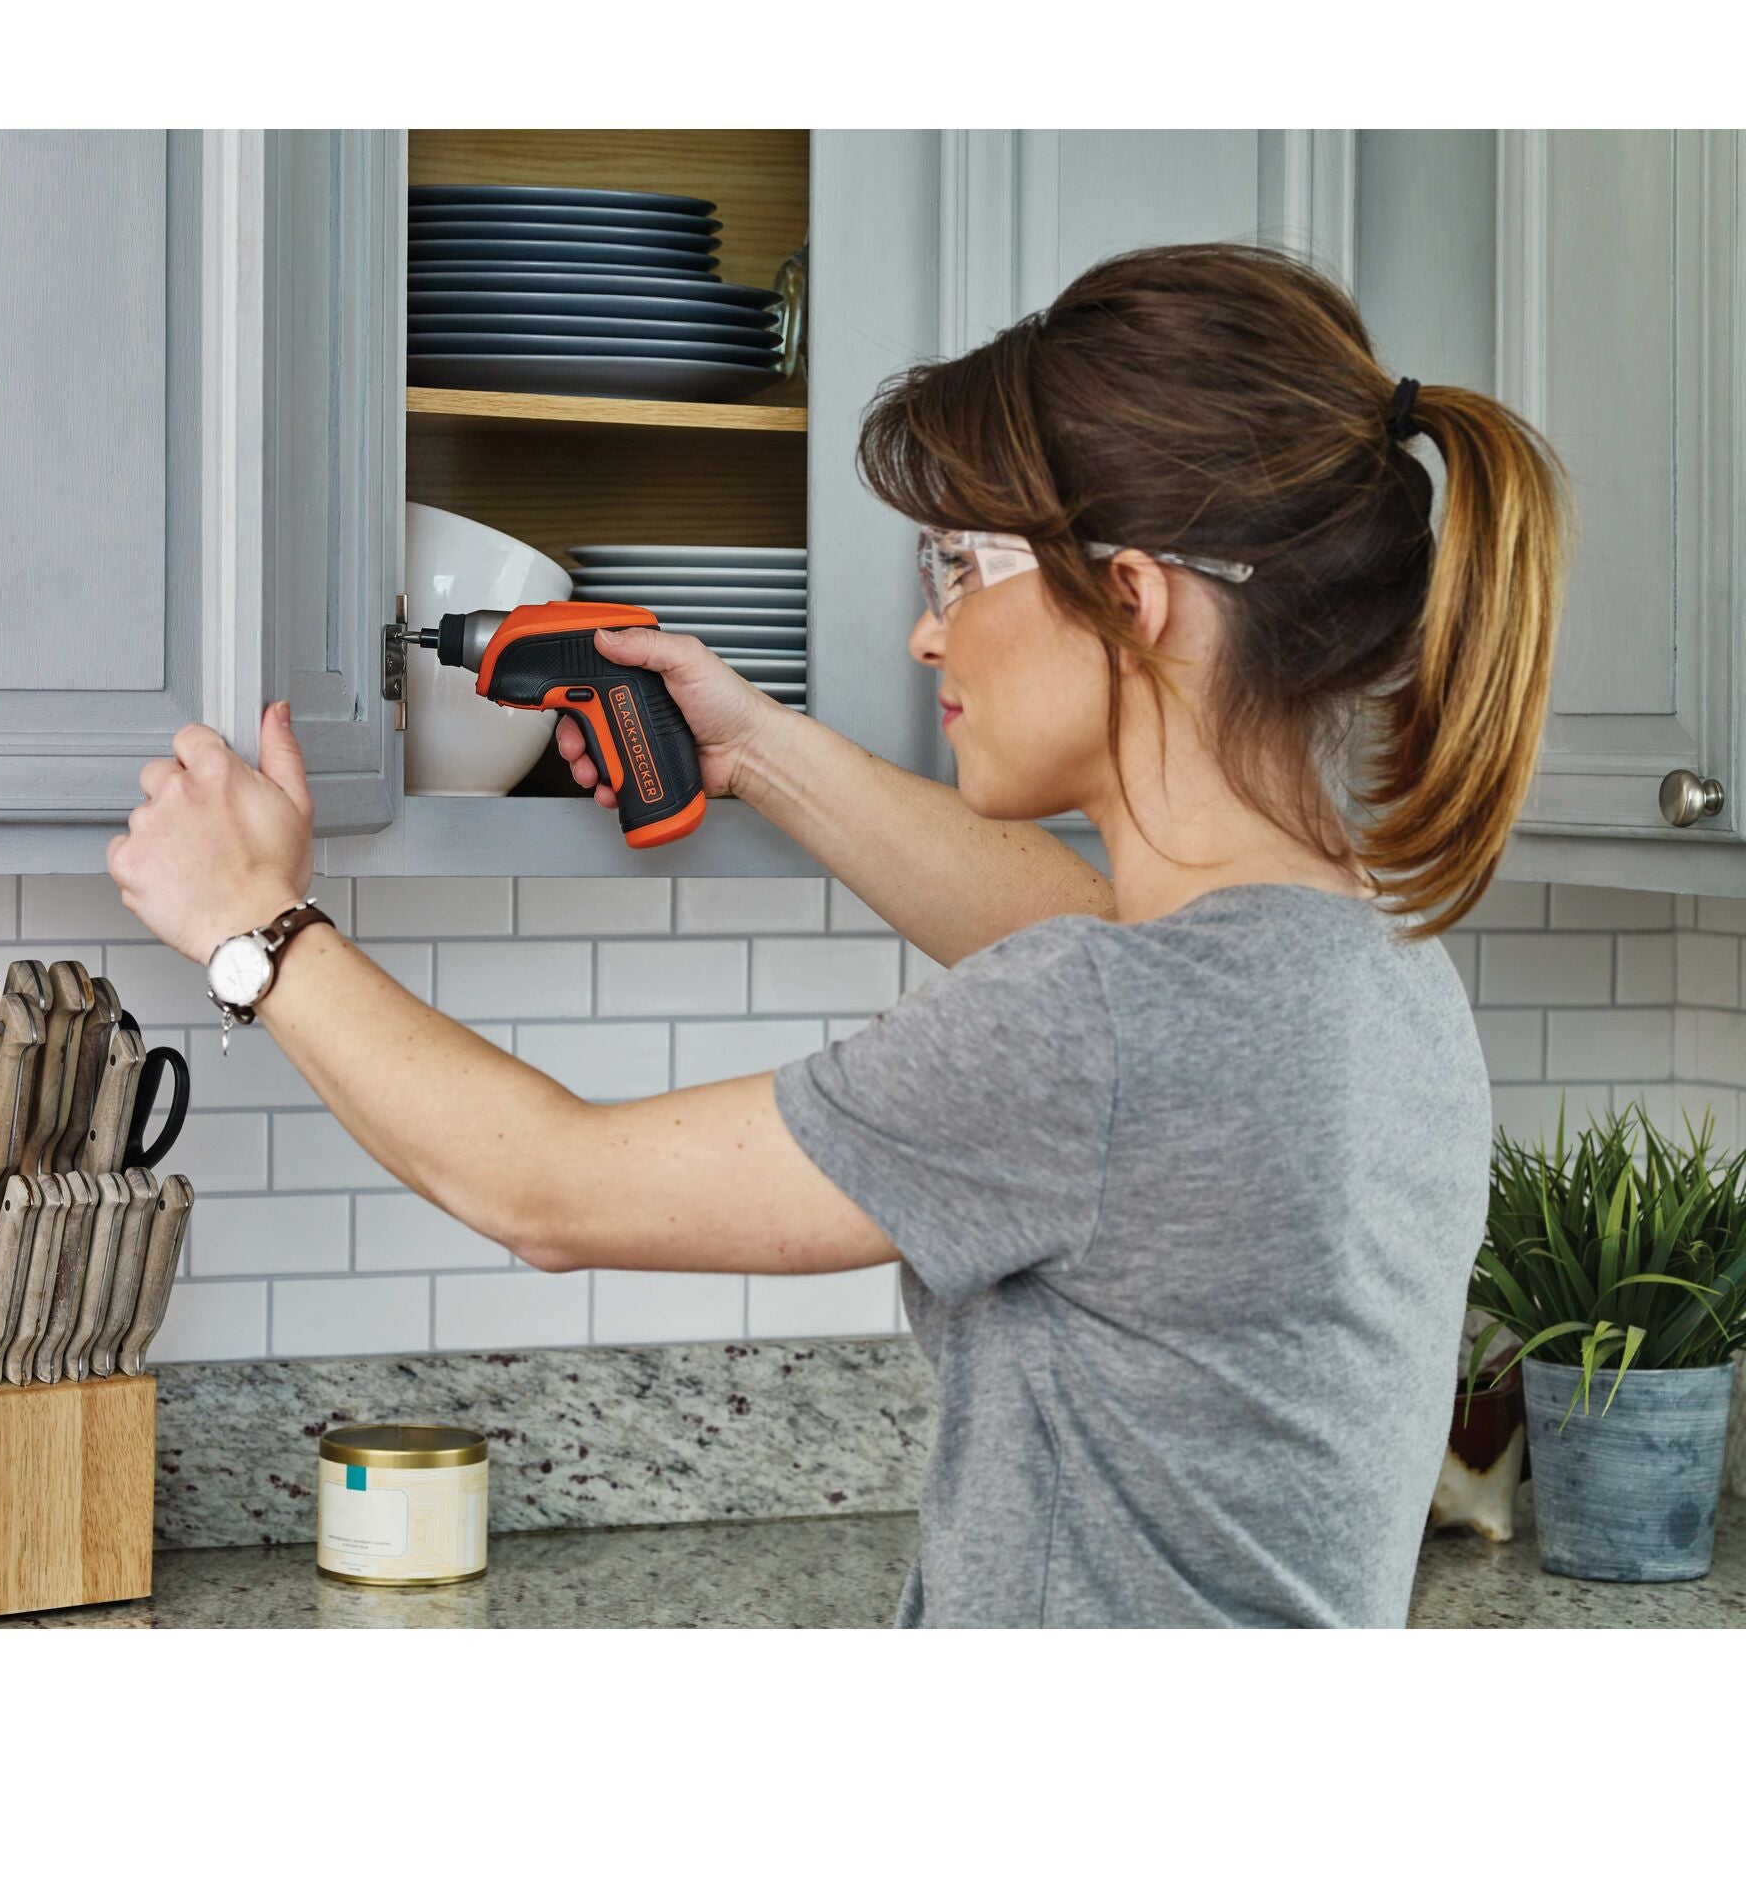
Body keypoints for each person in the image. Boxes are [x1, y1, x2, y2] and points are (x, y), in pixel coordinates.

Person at [108, 240, 1566, 1628]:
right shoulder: (1371, 967)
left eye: (958, 569)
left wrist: (254, 926)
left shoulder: (1105, 1023)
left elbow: (547, 1190)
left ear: (1129, 601)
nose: (927, 634)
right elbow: (1093, 944)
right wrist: (752, 750)